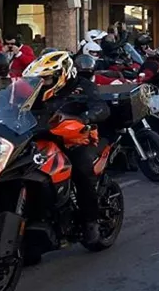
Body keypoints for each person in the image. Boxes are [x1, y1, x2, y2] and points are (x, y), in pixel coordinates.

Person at [23, 51, 109, 244]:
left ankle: (91, 220)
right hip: (39, 136)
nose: (42, 82)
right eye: (39, 78)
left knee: (81, 170)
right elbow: (15, 103)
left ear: (62, 74)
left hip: (73, 139)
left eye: (46, 78)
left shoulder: (82, 86)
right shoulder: (34, 89)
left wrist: (85, 119)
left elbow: (101, 107)